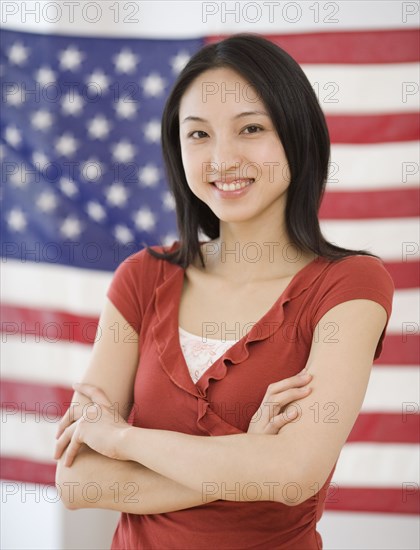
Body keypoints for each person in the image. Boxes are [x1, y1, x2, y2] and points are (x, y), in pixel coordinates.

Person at [54, 33, 395, 549]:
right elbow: (79, 482)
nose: (222, 158)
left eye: (251, 128)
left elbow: (291, 474)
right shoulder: (142, 278)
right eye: (198, 135)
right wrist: (245, 458)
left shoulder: (349, 285)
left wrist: (122, 439)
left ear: (296, 135)